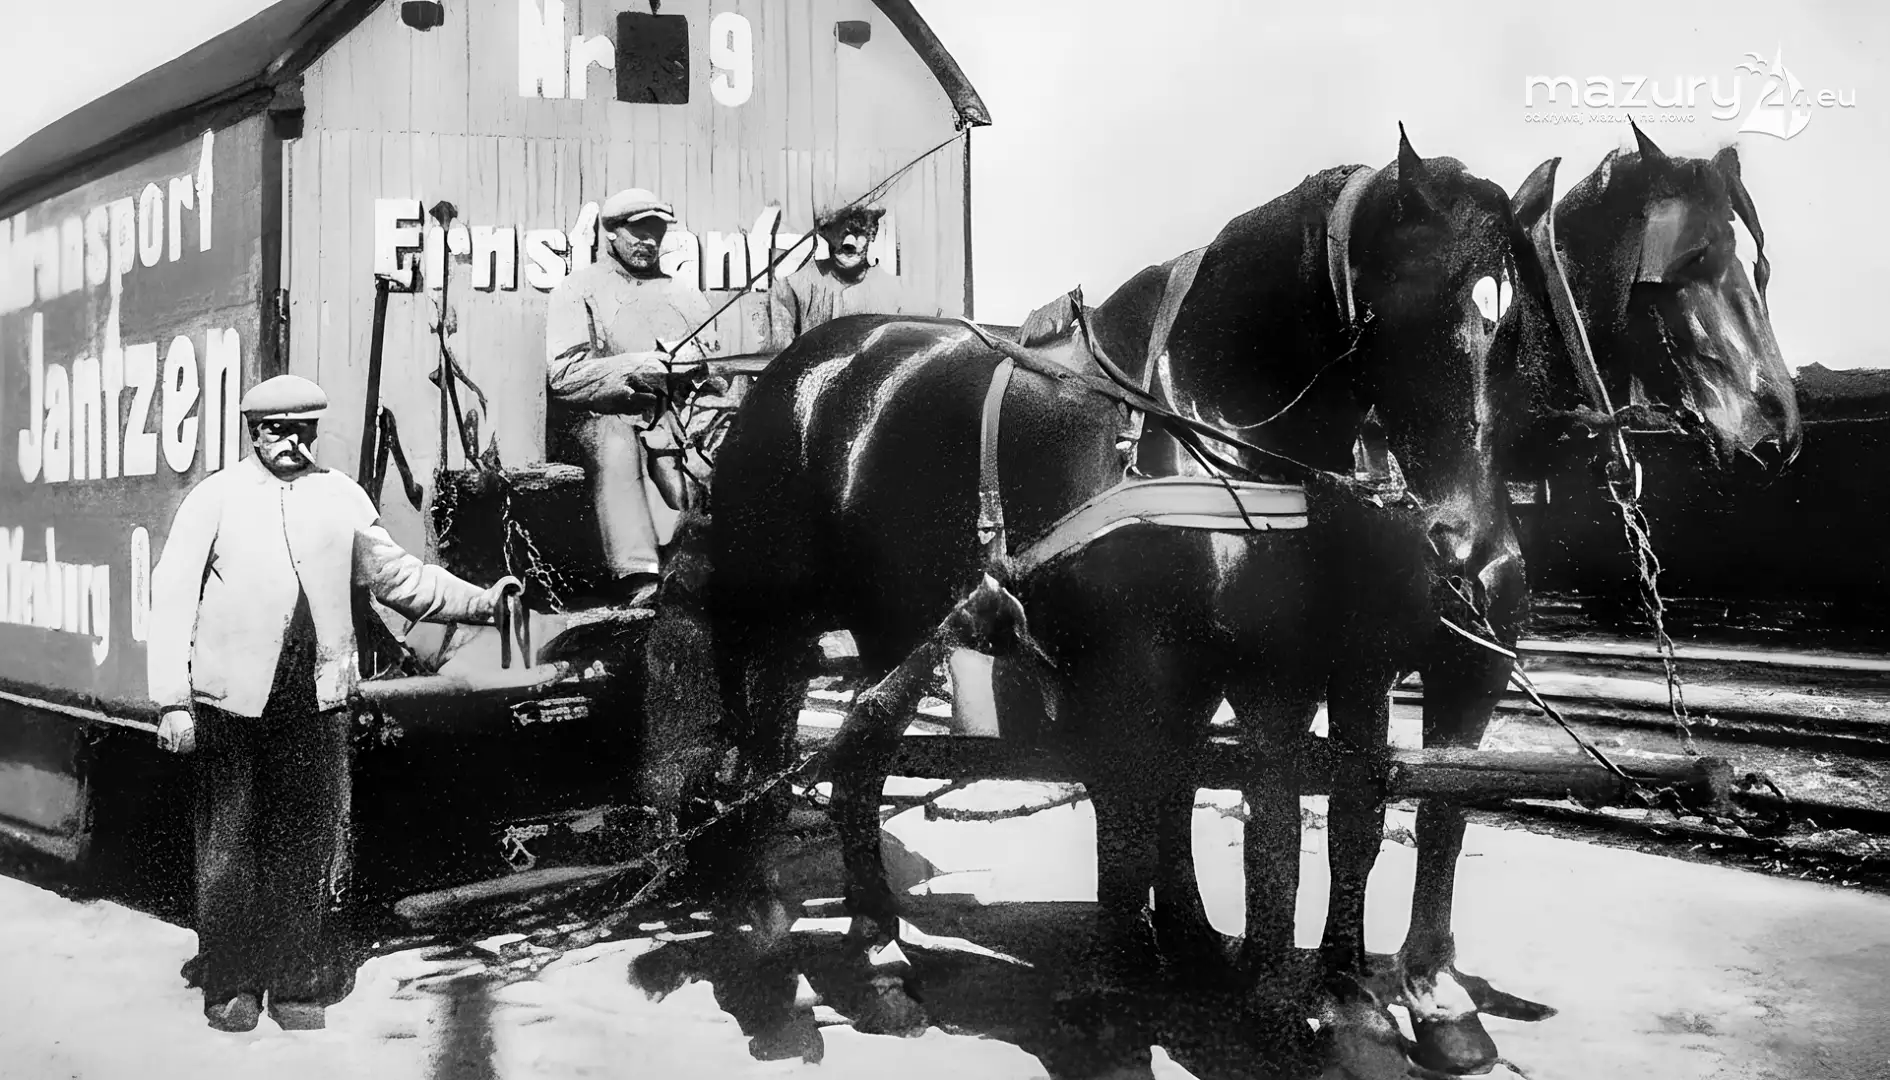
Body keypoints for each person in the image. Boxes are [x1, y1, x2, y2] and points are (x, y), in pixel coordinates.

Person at [148, 374, 520, 1033]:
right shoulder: (215, 498)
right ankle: (231, 985)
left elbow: (400, 579)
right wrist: (172, 702)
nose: (292, 443)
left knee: (309, 845)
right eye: (277, 431)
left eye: (303, 431)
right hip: (230, 699)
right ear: (253, 432)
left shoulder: (341, 496)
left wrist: (483, 602)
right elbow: (172, 594)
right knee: (229, 847)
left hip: (315, 699)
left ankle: (298, 984)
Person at [545, 187, 720, 608]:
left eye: (656, 232)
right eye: (638, 231)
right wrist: (637, 366)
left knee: (720, 453)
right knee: (617, 442)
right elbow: (563, 378)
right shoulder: (577, 289)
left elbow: (717, 374)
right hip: (601, 422)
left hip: (672, 421)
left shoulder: (685, 294)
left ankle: (716, 568)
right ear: (611, 232)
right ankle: (639, 576)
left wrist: (697, 378)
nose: (649, 241)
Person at [766, 205, 905, 347]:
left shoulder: (886, 291)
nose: (854, 241)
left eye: (861, 234)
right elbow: (781, 341)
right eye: (848, 234)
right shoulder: (799, 278)